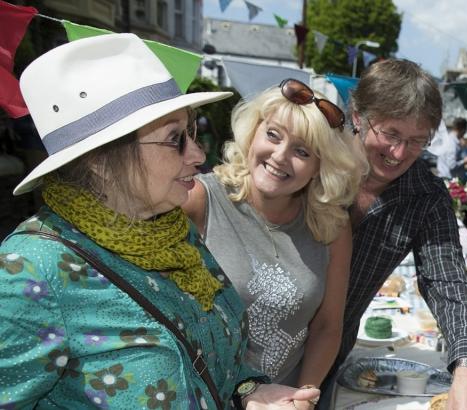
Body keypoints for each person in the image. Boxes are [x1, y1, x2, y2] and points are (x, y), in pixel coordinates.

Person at [0, 33, 317, 409]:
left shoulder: (171, 228)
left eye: (192, 132)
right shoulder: (30, 271)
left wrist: (250, 391)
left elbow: (214, 358)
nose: (198, 154)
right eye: (174, 139)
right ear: (100, 162)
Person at [318, 59, 467, 410]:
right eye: (391, 134)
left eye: (416, 141)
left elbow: (448, 283)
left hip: (325, 361)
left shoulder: (425, 196)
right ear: (357, 116)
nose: (398, 154)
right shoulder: (314, 155)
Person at [182, 79, 367, 387]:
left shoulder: (331, 226)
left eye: (302, 152)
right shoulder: (200, 200)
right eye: (273, 135)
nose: (280, 156)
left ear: (320, 168)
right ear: (252, 134)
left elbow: (327, 327)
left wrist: (304, 397)